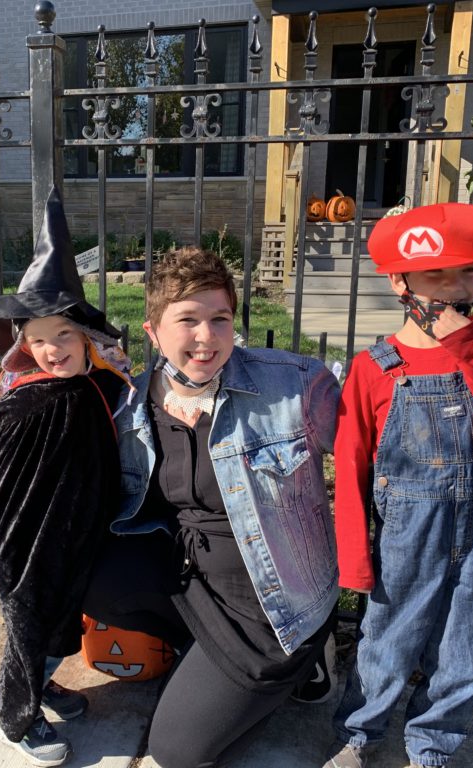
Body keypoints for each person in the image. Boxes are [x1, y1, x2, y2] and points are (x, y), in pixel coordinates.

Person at [82, 245, 341, 768]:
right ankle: (200, 652)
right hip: (188, 577)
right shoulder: (133, 400)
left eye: (220, 319)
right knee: (81, 574)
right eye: (188, 321)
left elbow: (384, 447)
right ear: (153, 331)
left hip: (274, 603)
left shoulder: (294, 385)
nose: (207, 338)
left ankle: (303, 661)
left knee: (177, 752)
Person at [325, 203, 473, 768]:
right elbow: (351, 466)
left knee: (465, 642)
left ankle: (433, 743)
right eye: (436, 275)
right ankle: (359, 734)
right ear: (401, 282)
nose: (455, 287)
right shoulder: (375, 367)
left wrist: (471, 353)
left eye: (468, 271)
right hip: (407, 532)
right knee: (387, 637)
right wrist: (354, 557)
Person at [0, 188, 130, 768]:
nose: (51, 349)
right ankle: (16, 713)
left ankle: (42, 683)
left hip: (84, 524)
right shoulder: (23, 405)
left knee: (65, 616)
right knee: (32, 615)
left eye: (64, 334)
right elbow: (4, 491)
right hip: (33, 536)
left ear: (86, 336)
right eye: (37, 339)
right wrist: (15, 555)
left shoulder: (99, 382)